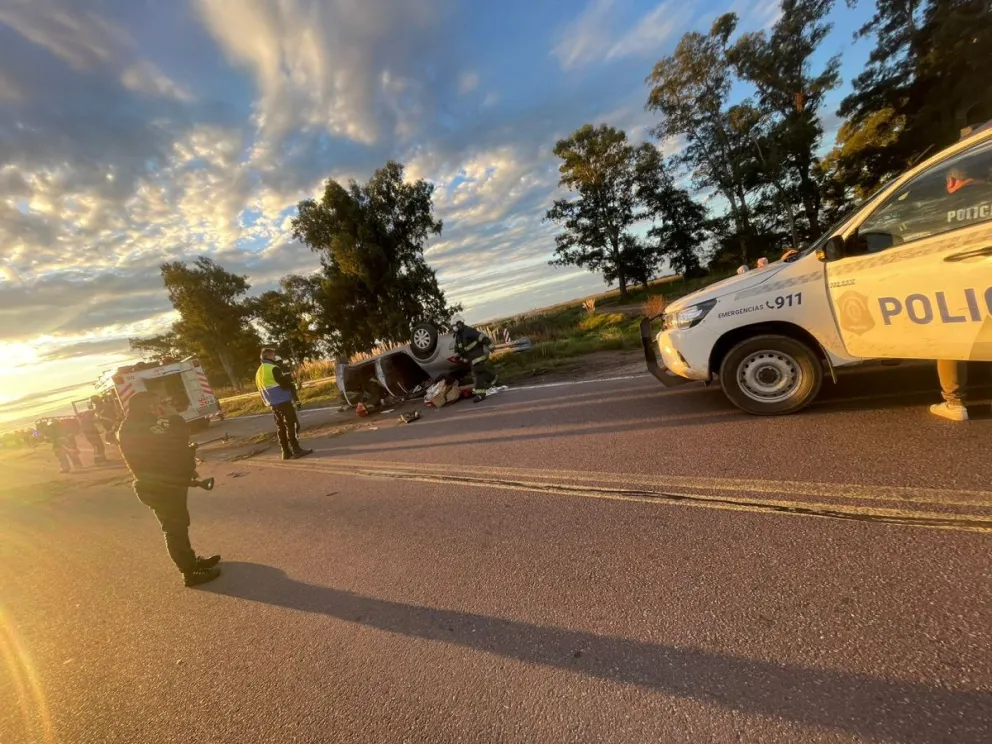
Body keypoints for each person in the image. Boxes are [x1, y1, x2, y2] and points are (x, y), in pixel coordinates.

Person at [117, 391, 221, 587]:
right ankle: (190, 572)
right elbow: (177, 436)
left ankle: (191, 561)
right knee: (175, 529)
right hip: (159, 487)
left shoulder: (144, 423)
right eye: (157, 403)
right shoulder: (137, 427)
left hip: (168, 483)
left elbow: (171, 452)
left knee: (180, 525)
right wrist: (173, 415)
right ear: (147, 406)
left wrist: (187, 469)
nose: (161, 406)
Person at [255, 348, 313, 460]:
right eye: (273, 355)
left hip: (272, 403)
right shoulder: (273, 368)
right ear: (269, 356)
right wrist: (292, 385)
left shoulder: (259, 371)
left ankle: (285, 452)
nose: (275, 356)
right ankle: (296, 449)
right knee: (292, 424)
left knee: (281, 427)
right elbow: (283, 383)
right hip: (283, 400)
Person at [452, 316, 497, 402]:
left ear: (459, 324)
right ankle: (494, 378)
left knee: (477, 372)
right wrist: (457, 355)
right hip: (471, 357)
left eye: (454, 325)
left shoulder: (468, 331)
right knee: (480, 370)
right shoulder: (458, 335)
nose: (453, 328)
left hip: (478, 355)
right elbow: (457, 347)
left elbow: (481, 337)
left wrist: (490, 345)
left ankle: (480, 394)